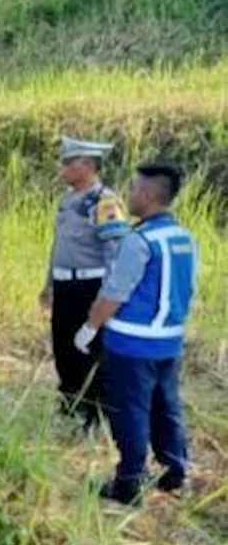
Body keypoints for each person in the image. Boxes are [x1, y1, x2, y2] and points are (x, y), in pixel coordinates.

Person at [73, 163, 198, 505]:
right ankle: (175, 471)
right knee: (166, 405)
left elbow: (115, 292)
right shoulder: (184, 237)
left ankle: (128, 483)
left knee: (130, 411)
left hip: (132, 343)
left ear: (147, 196)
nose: (129, 196)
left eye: (133, 190)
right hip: (169, 341)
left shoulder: (138, 240)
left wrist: (89, 328)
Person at [39, 136, 131, 434]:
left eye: (69, 162)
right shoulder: (68, 201)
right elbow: (58, 247)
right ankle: (70, 407)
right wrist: (49, 283)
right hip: (65, 285)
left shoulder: (104, 202)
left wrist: (106, 296)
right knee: (63, 347)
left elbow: (115, 253)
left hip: (90, 286)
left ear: (89, 166)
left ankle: (94, 415)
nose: (63, 167)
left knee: (89, 350)